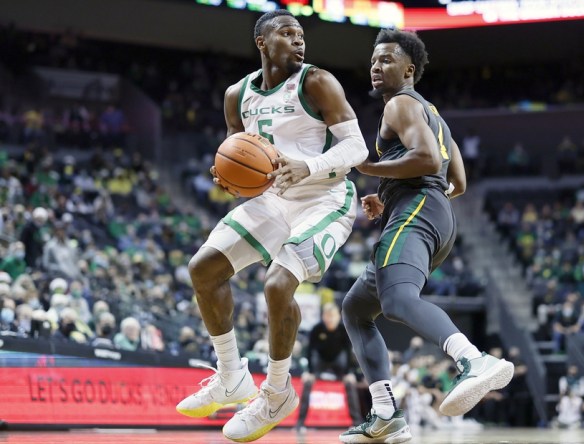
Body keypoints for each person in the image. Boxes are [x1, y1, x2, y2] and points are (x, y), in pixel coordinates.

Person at [175, 10, 367, 443]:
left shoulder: (317, 81)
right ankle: (231, 376)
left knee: (278, 284)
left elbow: (356, 146)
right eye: (287, 33)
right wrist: (230, 178)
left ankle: (277, 391)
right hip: (273, 199)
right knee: (203, 268)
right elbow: (236, 152)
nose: (298, 41)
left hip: (324, 197)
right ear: (261, 42)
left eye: (301, 35)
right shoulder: (236, 93)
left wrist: (309, 166)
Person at [339, 29, 513, 443]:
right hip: (432, 212)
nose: (376, 67)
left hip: (418, 211)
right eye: (373, 61)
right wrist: (390, 194)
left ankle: (473, 359)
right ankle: (385, 414)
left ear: (409, 70)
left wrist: (372, 170)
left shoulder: (399, 104)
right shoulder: (434, 114)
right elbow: (457, 179)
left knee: (398, 300)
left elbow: (426, 159)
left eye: (386, 60)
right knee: (356, 309)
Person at [296, 303, 362, 430]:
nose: (330, 319)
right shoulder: (316, 329)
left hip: (338, 363)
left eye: (333, 316)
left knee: (350, 383)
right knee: (308, 382)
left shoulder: (344, 330)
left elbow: (348, 352)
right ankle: (300, 423)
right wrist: (309, 371)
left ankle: (357, 423)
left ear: (338, 317)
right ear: (323, 317)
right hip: (320, 362)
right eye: (327, 316)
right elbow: (310, 351)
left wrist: (348, 373)